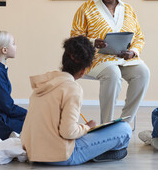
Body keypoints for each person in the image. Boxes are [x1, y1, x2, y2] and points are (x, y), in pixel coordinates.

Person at [21, 36, 132, 165]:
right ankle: (100, 152)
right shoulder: (72, 88)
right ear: (84, 70)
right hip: (60, 156)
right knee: (124, 129)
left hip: (33, 153)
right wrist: (87, 127)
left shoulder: (44, 82)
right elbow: (68, 132)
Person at [70, 0, 150, 123]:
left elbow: (139, 37)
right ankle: (106, 124)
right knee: (113, 73)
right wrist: (93, 42)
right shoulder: (86, 8)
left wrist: (132, 52)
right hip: (97, 58)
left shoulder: (129, 10)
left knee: (143, 72)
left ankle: (124, 123)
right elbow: (75, 38)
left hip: (125, 59)